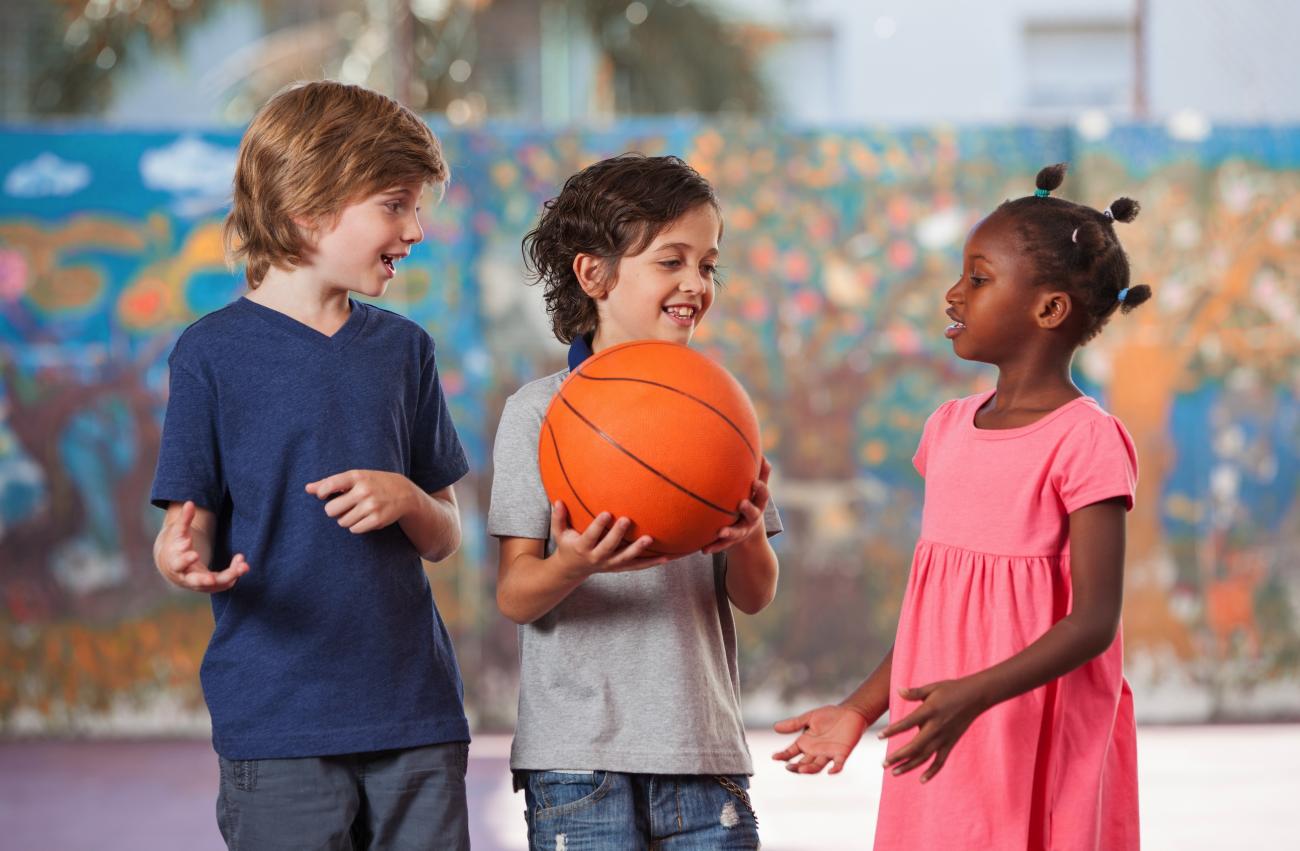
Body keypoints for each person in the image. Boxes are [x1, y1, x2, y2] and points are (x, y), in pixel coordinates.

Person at [774, 163, 1149, 851]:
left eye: (978, 278)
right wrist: (859, 710)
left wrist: (977, 692)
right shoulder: (946, 429)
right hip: (946, 725)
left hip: (1032, 729)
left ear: (1049, 309)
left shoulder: (1086, 440)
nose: (953, 293)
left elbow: (1095, 620)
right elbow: (938, 616)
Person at [150, 80, 472, 850]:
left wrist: (408, 498)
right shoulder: (209, 355)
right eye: (396, 204)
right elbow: (181, 535)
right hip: (276, 722)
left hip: (416, 714)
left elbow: (446, 533)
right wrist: (178, 557)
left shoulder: (404, 351)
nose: (416, 230)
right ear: (309, 207)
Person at [488, 153, 780, 850]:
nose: (695, 283)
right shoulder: (537, 413)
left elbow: (757, 593)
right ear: (594, 274)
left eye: (708, 265)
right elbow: (517, 594)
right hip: (576, 757)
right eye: (670, 261)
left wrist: (747, 538)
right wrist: (575, 562)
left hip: (702, 752)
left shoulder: (722, 411)